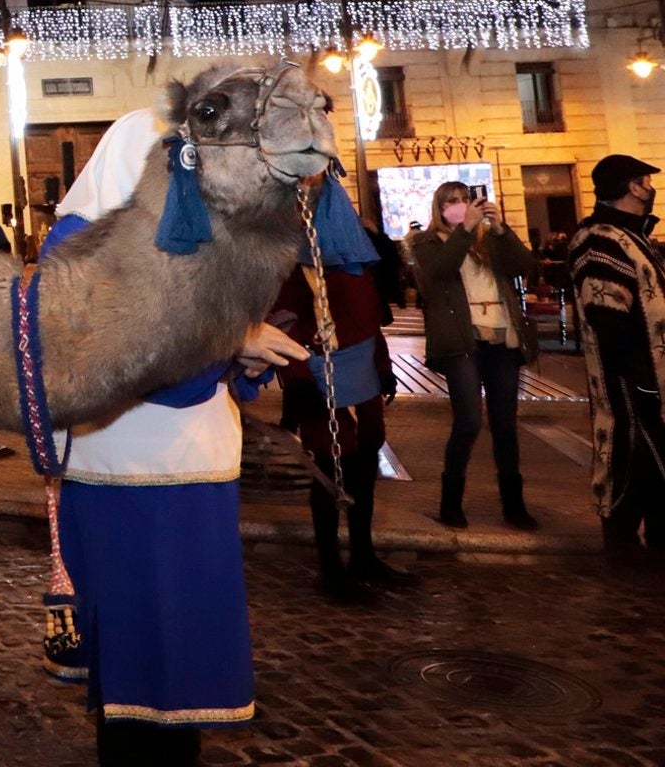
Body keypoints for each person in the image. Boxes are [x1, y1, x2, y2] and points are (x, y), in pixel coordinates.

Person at [45, 107, 310, 767]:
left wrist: (240, 359)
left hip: (188, 470)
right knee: (141, 663)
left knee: (180, 665)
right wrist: (231, 340)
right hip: (127, 478)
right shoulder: (85, 242)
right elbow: (123, 353)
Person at [269, 180, 413, 600]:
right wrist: (296, 382)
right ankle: (332, 571)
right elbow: (285, 321)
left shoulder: (353, 254)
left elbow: (369, 317)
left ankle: (363, 556)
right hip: (320, 376)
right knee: (330, 473)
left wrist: (383, 369)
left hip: (362, 372)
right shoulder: (293, 260)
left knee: (365, 464)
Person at [409, 181, 539, 531]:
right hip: (461, 341)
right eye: (451, 201)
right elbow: (440, 271)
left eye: (466, 200)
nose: (461, 206)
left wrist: (499, 230)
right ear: (440, 207)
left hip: (502, 337)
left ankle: (515, 506)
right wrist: (465, 229)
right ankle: (450, 503)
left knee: (505, 424)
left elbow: (523, 265)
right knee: (468, 422)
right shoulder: (426, 242)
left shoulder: (489, 241)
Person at [568, 154, 665, 556]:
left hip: (650, 377)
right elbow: (607, 315)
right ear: (631, 187)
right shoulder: (599, 240)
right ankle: (623, 543)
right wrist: (640, 378)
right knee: (631, 456)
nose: (650, 187)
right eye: (644, 180)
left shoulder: (630, 235)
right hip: (627, 381)